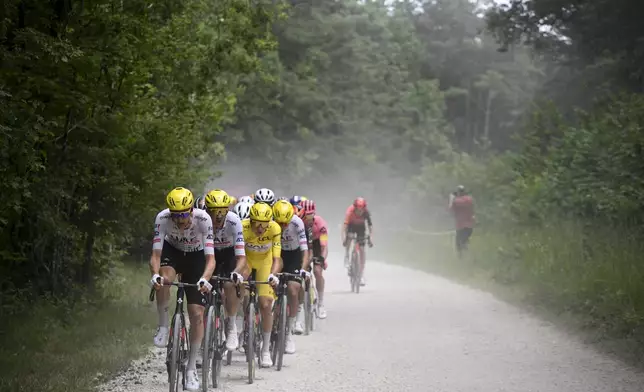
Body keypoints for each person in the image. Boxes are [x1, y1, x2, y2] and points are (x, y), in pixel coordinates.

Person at [149, 187, 215, 392]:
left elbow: (211, 259)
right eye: (175, 215)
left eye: (183, 214)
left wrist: (204, 279)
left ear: (191, 210)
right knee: (164, 279)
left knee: (196, 314)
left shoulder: (204, 220)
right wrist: (154, 274)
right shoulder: (162, 218)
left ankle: (191, 368)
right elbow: (156, 255)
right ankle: (163, 326)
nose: (179, 220)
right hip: (173, 252)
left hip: (196, 257)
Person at [204, 189, 246, 351]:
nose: (219, 216)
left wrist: (236, 272)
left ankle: (231, 325)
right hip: (208, 253)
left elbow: (241, 257)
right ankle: (205, 333)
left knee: (230, 284)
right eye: (215, 211)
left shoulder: (234, 221)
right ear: (207, 210)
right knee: (203, 288)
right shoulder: (201, 220)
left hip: (228, 253)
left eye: (223, 211)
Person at [241, 202, 281, 367]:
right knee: (242, 293)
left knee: (265, 303)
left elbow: (277, 258)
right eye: (256, 223)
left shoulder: (275, 228)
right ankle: (243, 325)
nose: (260, 228)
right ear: (250, 220)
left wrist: (273, 275)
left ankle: (265, 349)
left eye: (264, 224)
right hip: (247, 261)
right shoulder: (242, 227)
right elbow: (237, 254)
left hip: (265, 262)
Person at [272, 199, 310, 354]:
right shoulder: (270, 221)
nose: (282, 227)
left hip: (293, 255)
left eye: (285, 223)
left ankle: (289, 334)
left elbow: (305, 251)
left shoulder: (297, 223)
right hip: (277, 253)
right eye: (279, 223)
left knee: (294, 289)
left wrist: (302, 269)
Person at [296, 199, 329, 322]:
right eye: (306, 215)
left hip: (317, 244)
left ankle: (320, 303)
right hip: (304, 244)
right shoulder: (299, 222)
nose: (308, 218)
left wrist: (321, 258)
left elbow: (324, 246)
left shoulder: (320, 224)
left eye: (311, 215)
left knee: (317, 271)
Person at [341, 197, 372, 286]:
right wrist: (344, 238)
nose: (359, 212)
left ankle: (361, 274)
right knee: (349, 237)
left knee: (362, 249)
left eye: (361, 210)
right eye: (357, 210)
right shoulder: (350, 212)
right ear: (355, 208)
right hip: (351, 226)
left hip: (361, 228)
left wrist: (370, 238)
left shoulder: (366, 213)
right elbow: (344, 226)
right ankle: (347, 255)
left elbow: (370, 226)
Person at [448, 185, 475, 257]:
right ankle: (468, 256)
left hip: (461, 226)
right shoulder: (469, 199)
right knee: (465, 242)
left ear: (458, 192)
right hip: (470, 226)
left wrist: (451, 199)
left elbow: (450, 210)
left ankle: (462, 258)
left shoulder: (456, 201)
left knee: (459, 244)